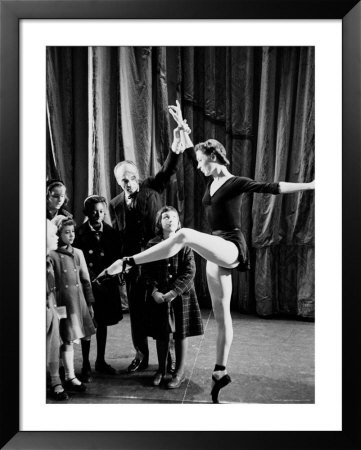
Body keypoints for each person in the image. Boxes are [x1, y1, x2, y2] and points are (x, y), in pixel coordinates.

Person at [99, 102, 315, 403]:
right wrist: (182, 129)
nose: (197, 166)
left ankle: (128, 262)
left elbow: (273, 187)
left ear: (213, 158)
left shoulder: (236, 182)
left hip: (231, 245)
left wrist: (312, 184)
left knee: (184, 234)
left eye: (202, 162)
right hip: (215, 250)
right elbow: (187, 153)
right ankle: (219, 370)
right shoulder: (209, 181)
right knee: (223, 315)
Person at [108, 122, 187, 373]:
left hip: (159, 262)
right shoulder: (115, 204)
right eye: (123, 180)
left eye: (131, 178)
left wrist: (176, 146)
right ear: (118, 182)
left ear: (137, 176)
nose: (128, 183)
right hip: (133, 266)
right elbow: (121, 238)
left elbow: (168, 169)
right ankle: (141, 355)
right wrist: (121, 264)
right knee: (137, 314)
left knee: (163, 313)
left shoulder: (153, 186)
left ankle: (169, 360)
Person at [141, 206, 204, 389]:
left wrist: (173, 292)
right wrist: (154, 291)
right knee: (162, 334)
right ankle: (161, 369)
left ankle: (179, 373)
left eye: (174, 217)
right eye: (165, 217)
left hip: (181, 297)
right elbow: (145, 271)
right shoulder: (152, 244)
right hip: (159, 297)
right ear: (159, 223)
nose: (170, 220)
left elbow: (189, 271)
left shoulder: (184, 244)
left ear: (178, 222)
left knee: (181, 334)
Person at [74, 195, 123, 382]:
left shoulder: (111, 233)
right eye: (94, 211)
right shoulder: (78, 234)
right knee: (88, 324)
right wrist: (92, 278)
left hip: (107, 285)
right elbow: (79, 261)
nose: (98, 215)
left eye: (101, 211)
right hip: (88, 284)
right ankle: (85, 363)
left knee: (102, 323)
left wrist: (109, 276)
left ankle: (100, 360)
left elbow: (115, 258)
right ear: (86, 212)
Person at [50, 216, 96, 393]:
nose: (71, 236)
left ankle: (70, 375)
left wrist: (90, 303)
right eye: (66, 232)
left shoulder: (78, 253)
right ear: (58, 233)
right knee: (65, 338)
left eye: (73, 232)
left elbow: (85, 280)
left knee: (77, 336)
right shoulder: (51, 254)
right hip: (62, 303)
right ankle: (68, 375)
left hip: (78, 302)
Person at [46, 219, 68, 401]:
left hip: (52, 307)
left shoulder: (49, 260)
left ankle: (55, 379)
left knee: (54, 342)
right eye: (53, 234)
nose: (56, 237)